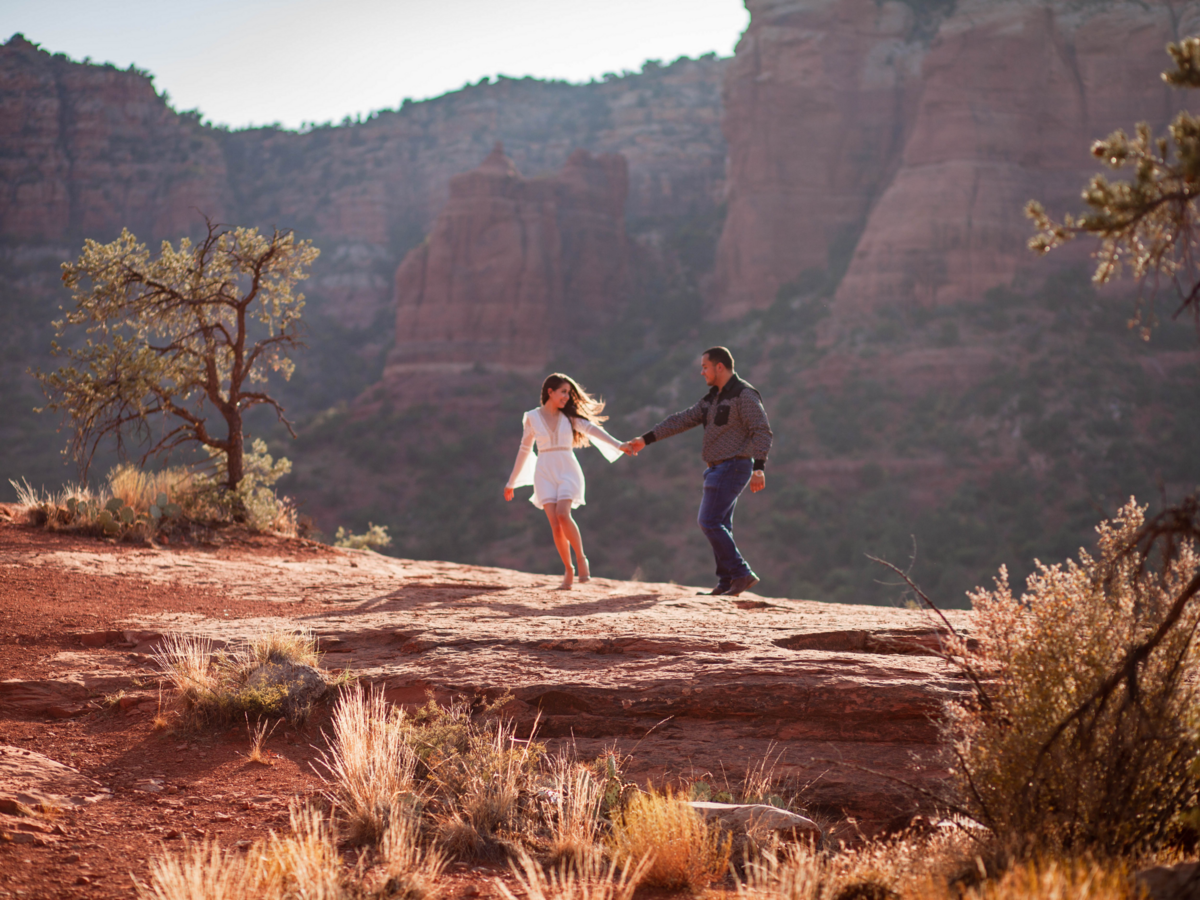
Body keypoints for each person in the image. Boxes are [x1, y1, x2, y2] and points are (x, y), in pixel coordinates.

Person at [621, 347, 772, 597]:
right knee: (721, 523)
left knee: (708, 521)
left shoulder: (744, 394)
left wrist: (759, 467)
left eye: (705, 367)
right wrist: (645, 439)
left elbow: (762, 430)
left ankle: (741, 573)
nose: (701, 372)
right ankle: (726, 582)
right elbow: (681, 420)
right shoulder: (712, 398)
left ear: (719, 367)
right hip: (718, 468)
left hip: (733, 466)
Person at [505, 373, 629, 590]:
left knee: (563, 514)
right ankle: (568, 569)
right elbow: (524, 449)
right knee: (555, 525)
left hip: (567, 470)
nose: (566, 397)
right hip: (544, 472)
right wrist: (511, 481)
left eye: (569, 394)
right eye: (563, 392)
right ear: (550, 392)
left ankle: (581, 559)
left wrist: (620, 445)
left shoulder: (569, 418)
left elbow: (593, 430)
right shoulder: (532, 417)